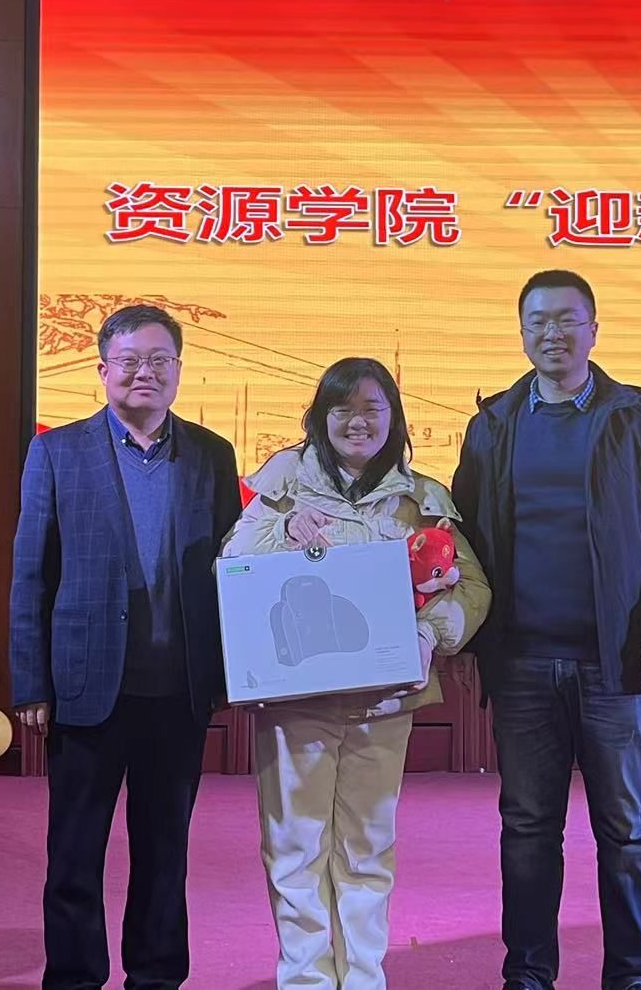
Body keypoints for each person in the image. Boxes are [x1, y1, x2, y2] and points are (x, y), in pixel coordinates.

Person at [453, 270, 641, 990]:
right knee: (528, 828)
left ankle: (631, 975)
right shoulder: (494, 424)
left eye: (566, 319)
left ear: (594, 329)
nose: (552, 333)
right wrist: (464, 635)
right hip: (522, 666)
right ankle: (528, 975)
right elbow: (461, 540)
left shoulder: (633, 418)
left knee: (625, 831)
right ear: (522, 332)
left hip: (614, 665)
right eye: (537, 321)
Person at [220, 357, 491, 990]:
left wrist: (430, 633)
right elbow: (231, 565)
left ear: (394, 417)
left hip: (384, 703)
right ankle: (306, 980)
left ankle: (365, 977)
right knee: (295, 848)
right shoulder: (282, 485)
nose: (357, 422)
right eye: (342, 409)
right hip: (296, 702)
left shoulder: (422, 499)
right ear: (319, 417)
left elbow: (470, 586)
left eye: (372, 408)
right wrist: (283, 530)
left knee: (367, 848)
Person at [10, 304, 243, 990]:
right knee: (74, 855)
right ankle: (74, 978)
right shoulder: (57, 451)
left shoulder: (211, 455)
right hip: (87, 687)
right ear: (103, 369)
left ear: (178, 370)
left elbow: (234, 570)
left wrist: (232, 673)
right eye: (131, 360)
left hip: (179, 690)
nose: (146, 372)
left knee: (165, 853)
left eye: (159, 360)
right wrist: (32, 683)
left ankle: (156, 977)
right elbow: (31, 572)